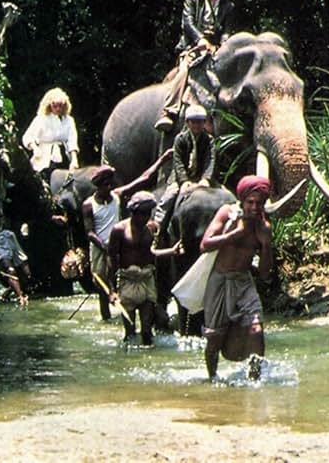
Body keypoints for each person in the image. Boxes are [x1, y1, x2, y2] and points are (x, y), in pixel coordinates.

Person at [82, 151, 172, 321]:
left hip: (121, 243)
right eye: (105, 185)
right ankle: (106, 316)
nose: (109, 188)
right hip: (100, 247)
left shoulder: (117, 196)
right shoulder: (88, 205)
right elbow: (89, 232)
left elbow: (144, 178)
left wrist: (162, 160)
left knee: (129, 277)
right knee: (103, 285)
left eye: (110, 184)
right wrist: (105, 246)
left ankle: (130, 311)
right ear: (98, 186)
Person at [199, 175, 272, 381]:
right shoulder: (227, 214)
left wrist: (266, 244)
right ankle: (212, 378)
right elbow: (205, 244)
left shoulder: (263, 225)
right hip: (220, 281)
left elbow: (265, 273)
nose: (255, 208)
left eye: (259, 203)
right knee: (215, 339)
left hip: (243, 282)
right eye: (250, 202)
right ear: (242, 200)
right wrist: (234, 235)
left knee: (257, 328)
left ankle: (254, 379)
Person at [155, 0, 236, 131]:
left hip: (216, 50)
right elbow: (188, 23)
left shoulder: (228, 5)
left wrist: (224, 45)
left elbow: (227, 31)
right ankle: (169, 111)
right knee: (184, 70)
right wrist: (201, 40)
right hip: (193, 47)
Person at [107, 191, 182, 346]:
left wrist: (171, 252)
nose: (145, 218)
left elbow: (153, 253)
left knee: (147, 331)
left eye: (148, 213)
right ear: (133, 212)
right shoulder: (119, 230)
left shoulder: (152, 229)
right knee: (130, 332)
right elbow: (112, 259)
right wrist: (112, 290)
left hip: (147, 280)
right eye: (142, 214)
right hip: (127, 281)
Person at [154, 104, 215, 234]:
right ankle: (157, 227)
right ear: (187, 122)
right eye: (193, 122)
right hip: (181, 178)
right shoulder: (180, 139)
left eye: (200, 122)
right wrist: (184, 180)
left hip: (200, 177)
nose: (197, 125)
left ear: (204, 123)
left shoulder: (208, 140)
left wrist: (206, 178)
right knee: (169, 197)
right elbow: (178, 162)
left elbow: (210, 160)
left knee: (223, 195)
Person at [22, 87, 80, 182]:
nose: (58, 109)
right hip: (43, 160)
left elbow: (72, 140)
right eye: (55, 106)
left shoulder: (69, 120)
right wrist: (35, 148)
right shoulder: (41, 119)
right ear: (49, 105)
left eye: (60, 106)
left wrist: (74, 159)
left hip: (62, 160)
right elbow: (27, 137)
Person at [0, 228, 31, 306]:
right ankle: (20, 297)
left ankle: (5, 294)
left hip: (9, 235)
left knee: (27, 273)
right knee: (11, 271)